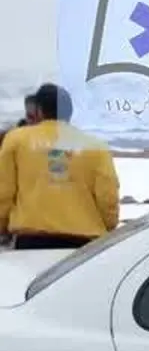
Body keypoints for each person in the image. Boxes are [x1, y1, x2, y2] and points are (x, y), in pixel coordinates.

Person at [0, 83, 119, 250]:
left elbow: (4, 192)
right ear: (69, 113)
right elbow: (108, 197)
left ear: (39, 110)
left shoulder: (16, 140)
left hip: (32, 240)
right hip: (83, 245)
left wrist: (3, 226)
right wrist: (109, 225)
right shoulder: (96, 146)